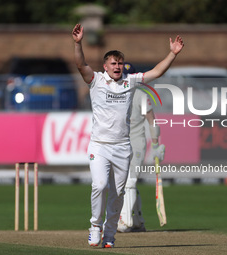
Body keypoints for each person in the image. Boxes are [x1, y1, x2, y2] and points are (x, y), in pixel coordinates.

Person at [72, 23, 184, 248]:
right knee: (100, 185)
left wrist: (172, 54)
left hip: (123, 147)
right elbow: (80, 64)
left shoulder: (130, 81)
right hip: (100, 145)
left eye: (120, 63)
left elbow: (157, 72)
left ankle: (110, 235)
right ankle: (95, 225)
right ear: (105, 66)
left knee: (119, 193)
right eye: (113, 63)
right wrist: (78, 44)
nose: (117, 66)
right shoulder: (96, 80)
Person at [117, 62, 166, 233]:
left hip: (136, 142)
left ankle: (126, 221)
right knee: (126, 182)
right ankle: (138, 221)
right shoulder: (117, 93)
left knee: (130, 180)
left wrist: (155, 144)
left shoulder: (141, 96)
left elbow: (152, 121)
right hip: (120, 143)